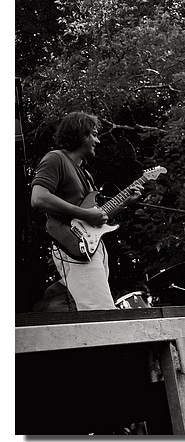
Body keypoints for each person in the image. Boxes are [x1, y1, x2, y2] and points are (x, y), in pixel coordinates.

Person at [30, 111, 143, 311]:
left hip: (92, 247)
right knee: (101, 312)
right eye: (94, 134)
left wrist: (125, 202)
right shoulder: (55, 158)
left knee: (100, 309)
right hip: (72, 246)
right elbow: (38, 198)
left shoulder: (86, 175)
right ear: (80, 134)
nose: (97, 141)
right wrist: (85, 214)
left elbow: (96, 219)